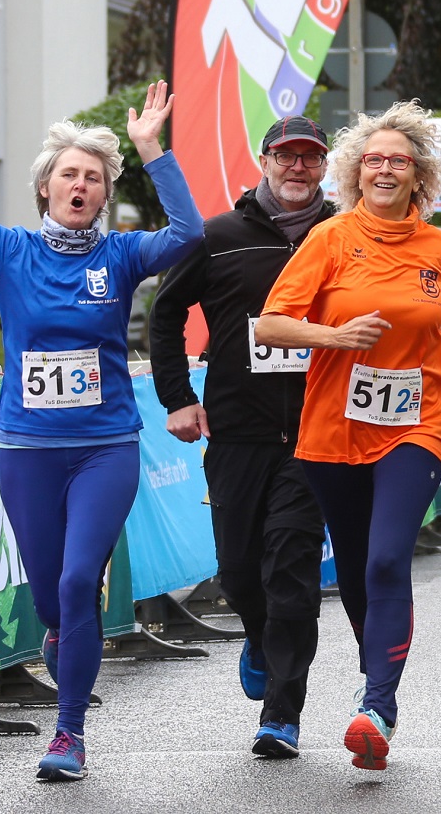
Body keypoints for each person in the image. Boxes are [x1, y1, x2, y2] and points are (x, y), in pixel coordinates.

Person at [0, 52, 203, 781]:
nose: (82, 183)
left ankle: (68, 735)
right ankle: (69, 649)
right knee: (51, 600)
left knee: (75, 583)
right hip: (29, 449)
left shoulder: (124, 257)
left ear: (103, 196)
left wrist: (154, 151)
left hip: (105, 447)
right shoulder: (8, 250)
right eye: (70, 173)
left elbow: (188, 233)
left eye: (94, 177)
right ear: (45, 186)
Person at [253, 99, 441, 771]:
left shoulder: (440, 247)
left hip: (417, 422)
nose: (384, 170)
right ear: (356, 172)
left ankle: (378, 704)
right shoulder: (329, 238)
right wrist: (333, 335)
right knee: (355, 569)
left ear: (418, 175)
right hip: (334, 428)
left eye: (398, 161)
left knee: (387, 560)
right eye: (373, 160)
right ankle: (375, 672)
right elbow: (270, 325)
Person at [147, 115, 334, 759]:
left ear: (325, 165)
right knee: (238, 570)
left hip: (318, 434)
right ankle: (258, 636)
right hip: (237, 432)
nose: (297, 168)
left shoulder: (346, 235)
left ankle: (283, 711)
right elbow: (166, 311)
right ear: (264, 161)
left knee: (293, 570)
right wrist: (178, 397)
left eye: (310, 158)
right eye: (286, 156)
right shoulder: (219, 236)